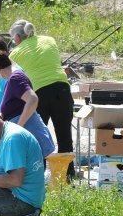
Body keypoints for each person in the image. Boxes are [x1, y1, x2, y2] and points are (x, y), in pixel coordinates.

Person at [9, 20, 74, 171]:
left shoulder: (15, 53)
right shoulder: (49, 40)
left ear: (17, 38)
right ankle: (68, 176)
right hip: (62, 89)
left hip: (39, 93)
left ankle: (39, 174)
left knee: (38, 136)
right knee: (65, 136)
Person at [0, 51, 55, 159]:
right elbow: (17, 105)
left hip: (29, 136)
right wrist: (2, 114)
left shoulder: (15, 78)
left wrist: (18, 127)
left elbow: (33, 99)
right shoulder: (12, 79)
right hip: (26, 138)